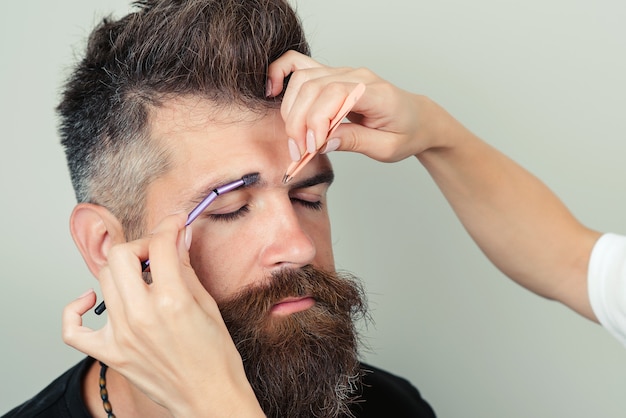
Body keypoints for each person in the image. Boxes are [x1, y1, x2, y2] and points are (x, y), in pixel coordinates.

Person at [3, 0, 438, 417]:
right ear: (105, 245)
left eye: (308, 198)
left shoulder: (392, 405)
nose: (300, 246)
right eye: (230, 209)